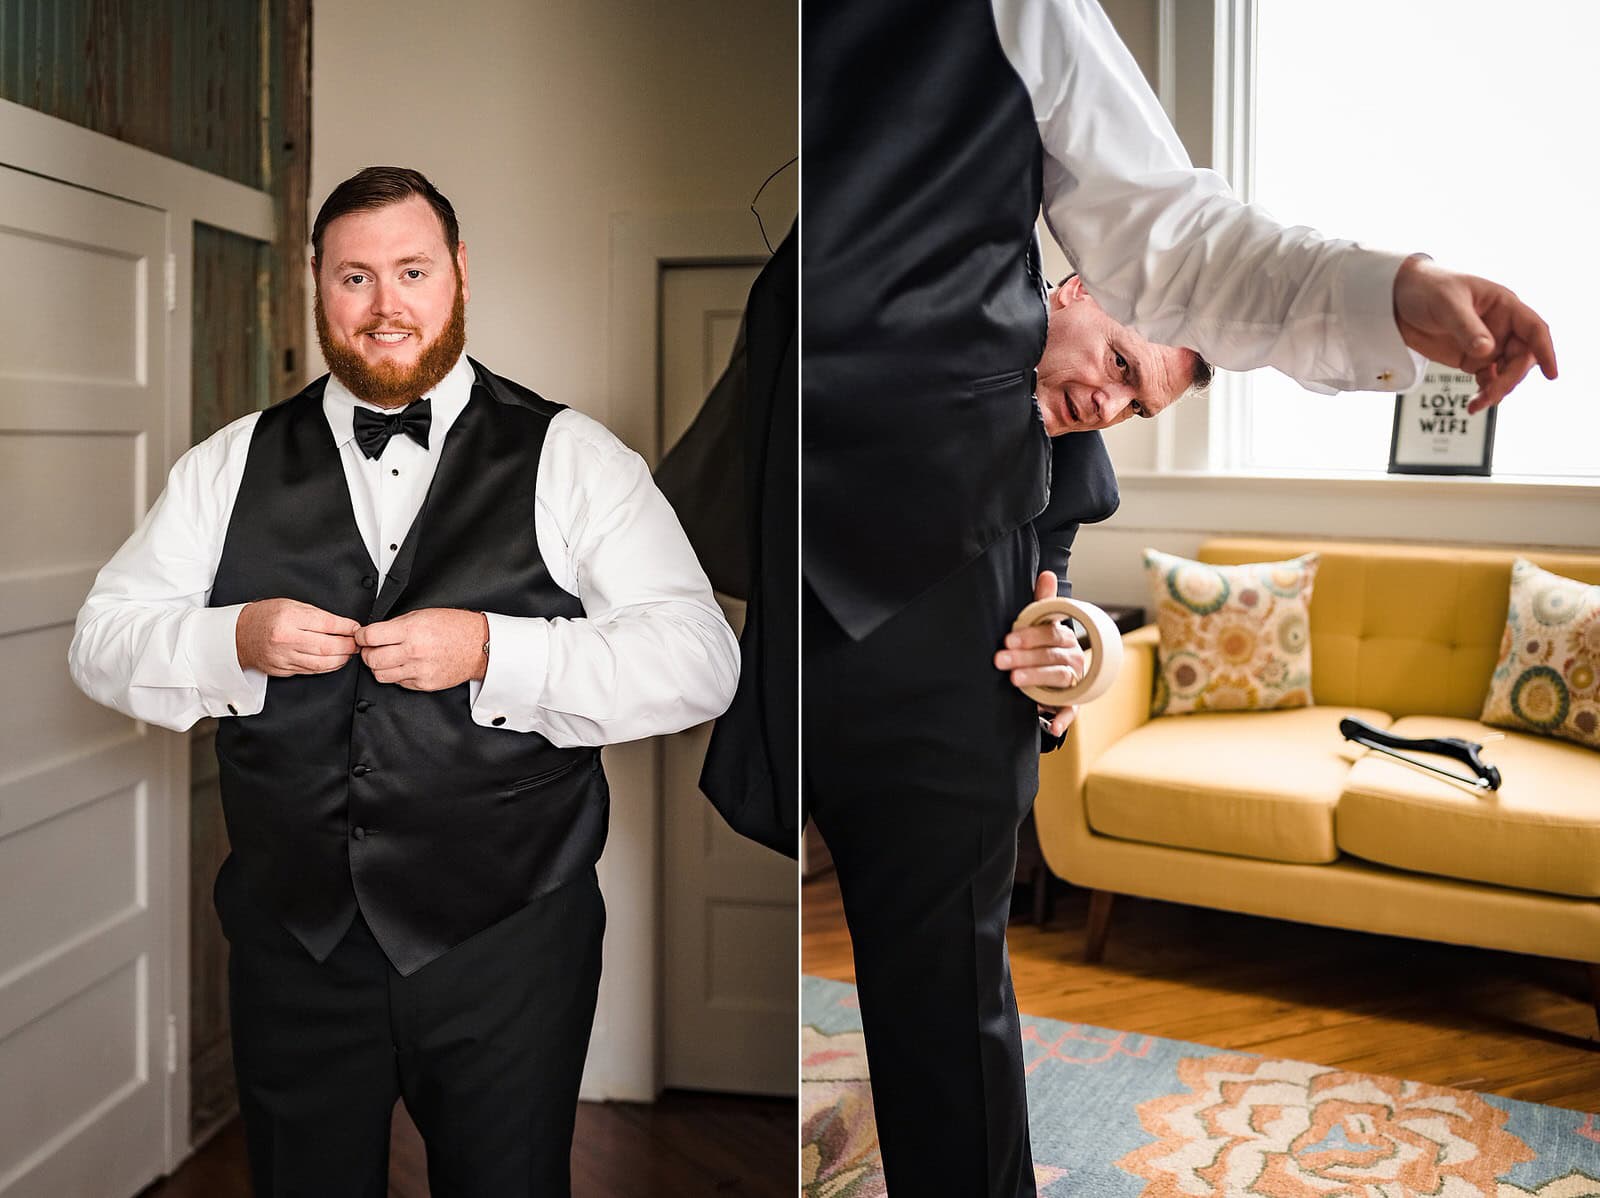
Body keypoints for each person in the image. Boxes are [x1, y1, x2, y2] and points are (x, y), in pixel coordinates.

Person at [802, 1, 1556, 1195]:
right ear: (1069, 296)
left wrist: (1072, 666)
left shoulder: (1064, 455)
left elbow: (1074, 607)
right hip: (784, 628)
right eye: (1115, 366)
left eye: (1138, 403)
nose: (1110, 404)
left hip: (937, 702)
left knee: (946, 1012)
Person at [68, 166, 739, 1198]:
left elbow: (701, 660)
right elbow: (100, 641)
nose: (386, 307)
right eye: (355, 278)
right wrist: (233, 638)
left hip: (508, 943)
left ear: (459, 274)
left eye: (412, 271)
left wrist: (493, 650)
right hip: (296, 945)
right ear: (317, 286)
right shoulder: (227, 465)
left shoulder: (573, 457)